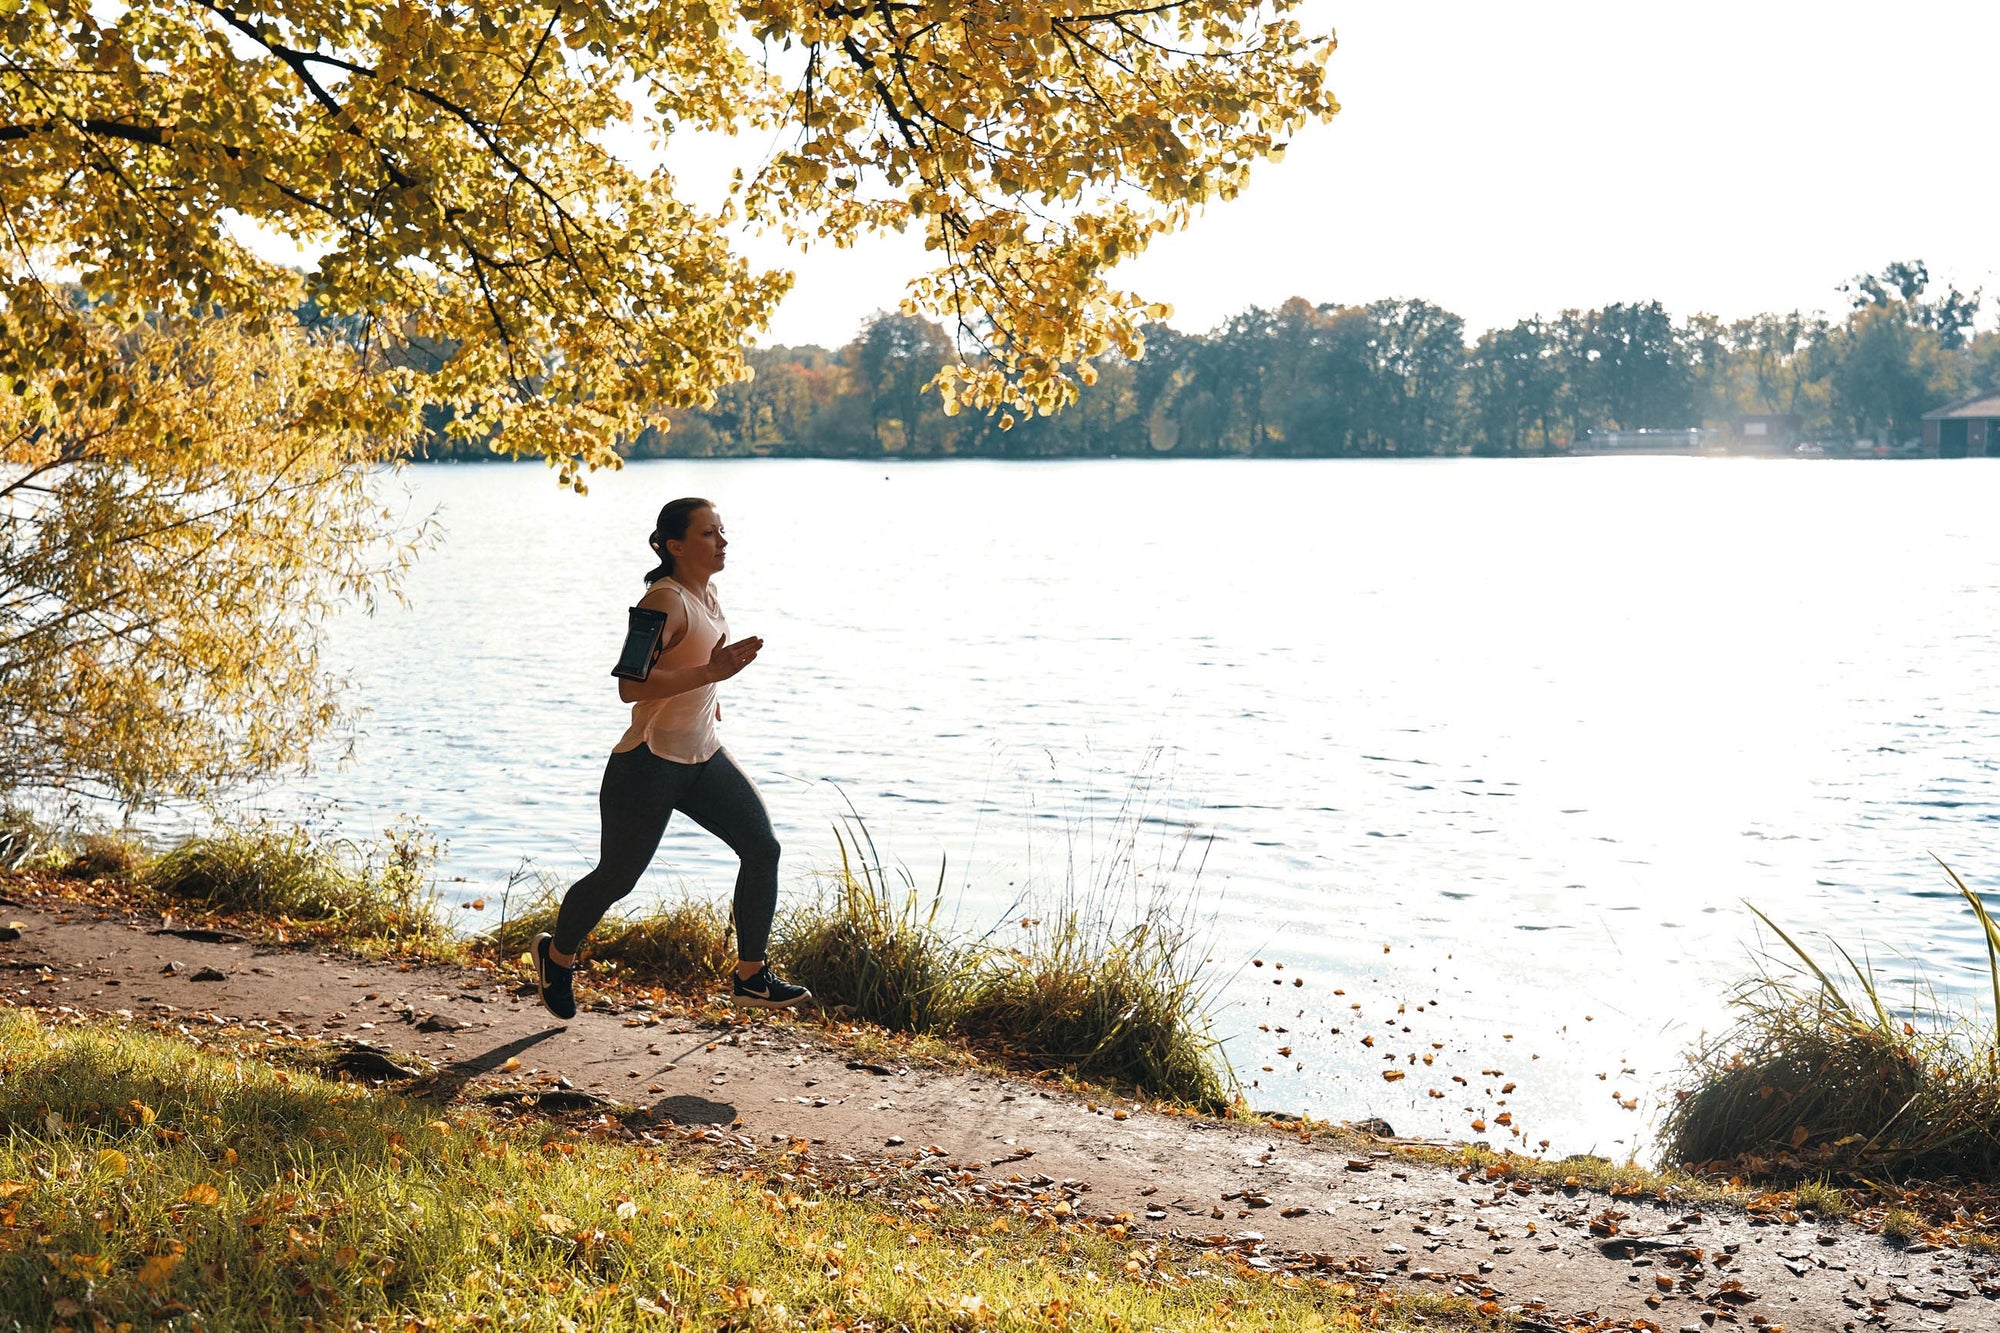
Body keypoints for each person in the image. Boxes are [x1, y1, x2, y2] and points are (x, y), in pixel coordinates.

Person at [531, 496, 811, 1019]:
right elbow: (630, 686)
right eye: (709, 534)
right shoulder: (663, 600)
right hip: (647, 763)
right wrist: (709, 675)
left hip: (703, 756)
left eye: (722, 531)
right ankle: (557, 955)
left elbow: (691, 665)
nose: (722, 541)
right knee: (617, 878)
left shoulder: (709, 594)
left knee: (762, 848)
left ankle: (751, 976)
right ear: (674, 545)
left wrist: (710, 694)